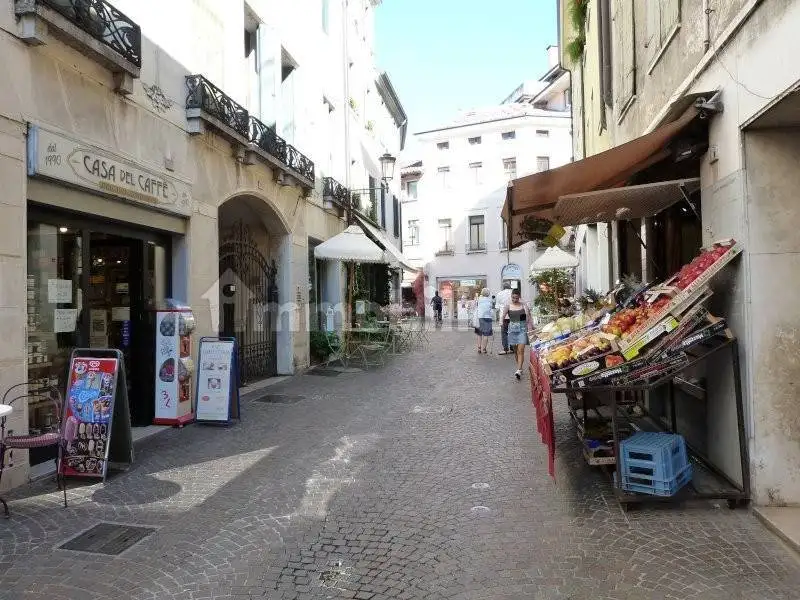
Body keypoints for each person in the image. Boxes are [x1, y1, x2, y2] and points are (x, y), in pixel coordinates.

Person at [501, 289, 534, 380]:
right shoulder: (508, 305)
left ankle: (519, 369)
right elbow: (503, 315)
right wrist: (501, 322)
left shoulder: (523, 305)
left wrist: (525, 305)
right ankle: (520, 367)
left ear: (519, 297)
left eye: (516, 298)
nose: (515, 300)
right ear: (511, 296)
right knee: (515, 350)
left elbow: (528, 315)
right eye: (513, 298)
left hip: (522, 328)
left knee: (521, 349)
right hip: (512, 329)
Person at [495, 283, 513, 355]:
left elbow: (497, 307)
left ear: (503, 287)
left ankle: (505, 349)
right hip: (513, 315)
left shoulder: (499, 294)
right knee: (512, 332)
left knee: (504, 332)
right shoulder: (513, 292)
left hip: (503, 316)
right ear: (510, 287)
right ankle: (512, 348)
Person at [474, 288, 494, 354]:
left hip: (480, 318)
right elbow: (491, 309)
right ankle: (484, 349)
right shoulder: (490, 300)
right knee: (486, 334)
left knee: (479, 334)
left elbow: (475, 306)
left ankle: (479, 348)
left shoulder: (479, 299)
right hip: (488, 318)